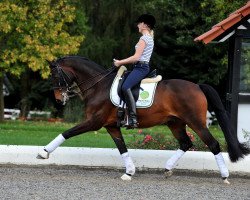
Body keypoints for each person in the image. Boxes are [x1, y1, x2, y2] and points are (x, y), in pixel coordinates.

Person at [114, 14, 156, 129]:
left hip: (141, 68)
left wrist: (120, 62)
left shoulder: (144, 38)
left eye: (139, 23)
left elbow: (136, 57)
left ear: (145, 25)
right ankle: (124, 115)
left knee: (125, 87)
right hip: (139, 67)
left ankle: (133, 119)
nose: (137, 25)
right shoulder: (148, 38)